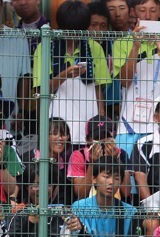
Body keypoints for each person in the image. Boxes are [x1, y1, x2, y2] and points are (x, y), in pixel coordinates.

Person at [33, 1, 112, 147]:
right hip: (58, 128)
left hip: (88, 122)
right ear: (61, 27)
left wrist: (101, 123)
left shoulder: (94, 48)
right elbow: (41, 90)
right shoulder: (45, 47)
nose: (74, 36)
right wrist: (65, 75)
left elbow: (98, 89)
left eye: (79, 31)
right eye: (70, 30)